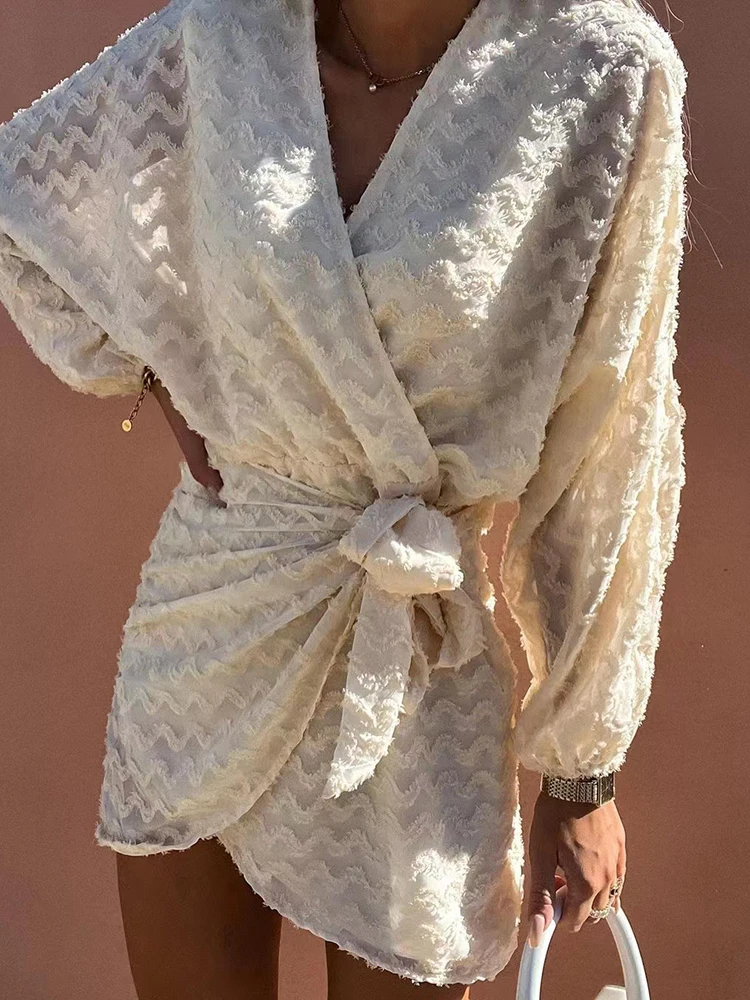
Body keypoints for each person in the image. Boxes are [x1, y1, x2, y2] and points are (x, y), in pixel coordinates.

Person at [0, 0, 689, 996]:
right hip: (211, 621)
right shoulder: (226, 33)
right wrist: (157, 370)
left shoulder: (604, 72)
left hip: (416, 656)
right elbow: (25, 196)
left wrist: (582, 768)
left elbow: (610, 437)